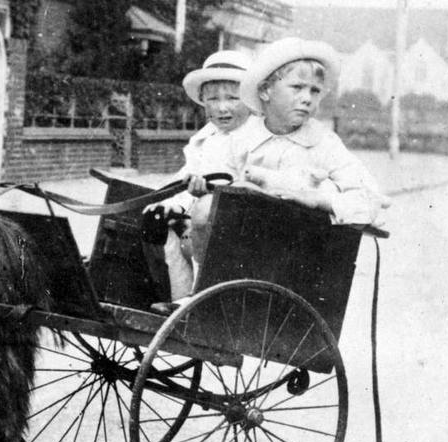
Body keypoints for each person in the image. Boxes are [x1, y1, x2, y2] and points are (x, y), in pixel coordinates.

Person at [229, 36, 389, 225]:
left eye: (315, 90)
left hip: (304, 244)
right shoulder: (242, 138)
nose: (307, 98)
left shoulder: (324, 143)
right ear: (265, 91)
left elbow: (370, 197)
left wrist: (319, 200)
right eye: (297, 87)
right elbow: (215, 182)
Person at [148, 50, 253, 299]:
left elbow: (251, 184)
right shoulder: (205, 138)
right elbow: (185, 177)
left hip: (237, 230)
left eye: (233, 98)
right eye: (213, 99)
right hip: (199, 225)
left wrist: (210, 193)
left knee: (202, 213)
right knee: (158, 219)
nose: (222, 107)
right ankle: (178, 296)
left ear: (250, 100)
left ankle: (199, 295)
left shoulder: (255, 138)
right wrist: (168, 204)